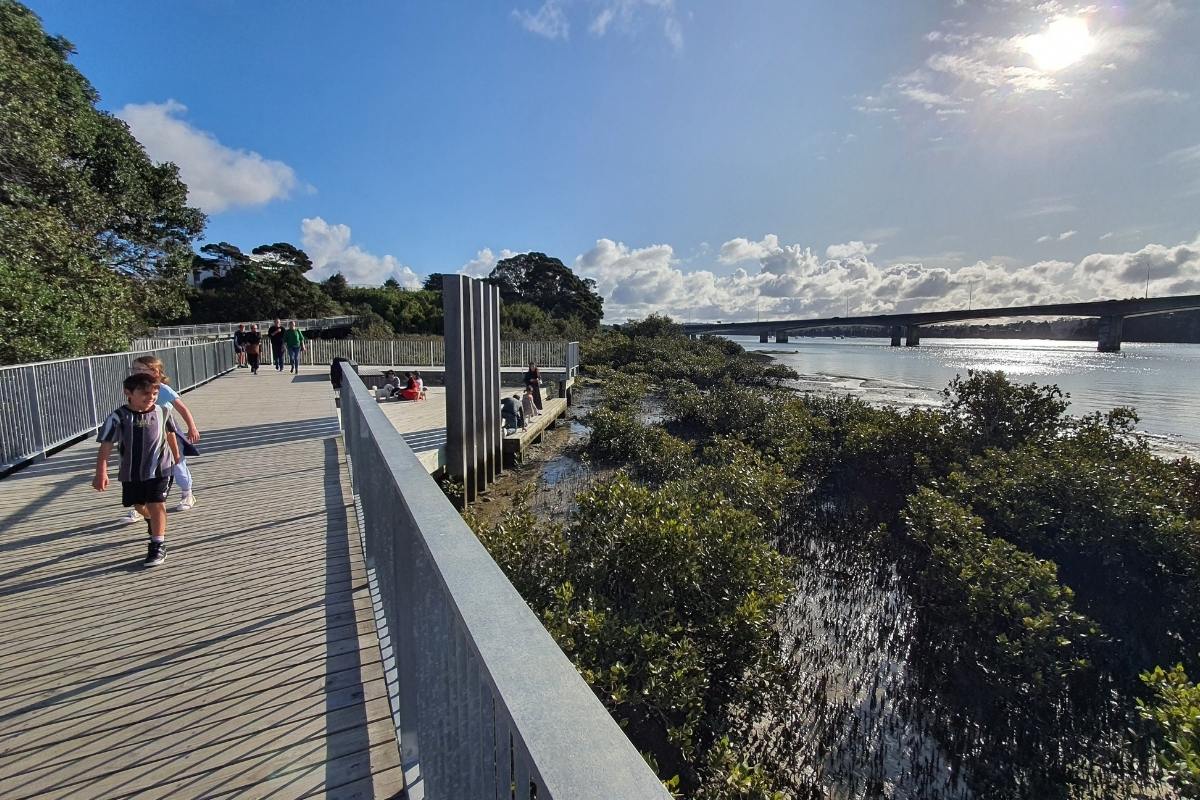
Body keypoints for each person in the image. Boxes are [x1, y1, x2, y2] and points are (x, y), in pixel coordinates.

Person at [93, 373, 181, 567]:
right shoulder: (118, 417)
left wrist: (177, 456)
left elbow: (170, 433)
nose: (151, 398)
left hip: (161, 468)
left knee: (156, 503)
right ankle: (149, 519)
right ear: (128, 393)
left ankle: (158, 544)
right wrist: (101, 471)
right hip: (131, 471)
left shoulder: (163, 411)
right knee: (140, 506)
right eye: (145, 393)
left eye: (155, 394)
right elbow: (106, 444)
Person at [120, 355, 202, 518]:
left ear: (155, 372)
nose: (135, 372)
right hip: (146, 431)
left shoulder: (162, 389)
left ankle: (187, 493)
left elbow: (182, 408)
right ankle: (141, 506)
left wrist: (192, 427)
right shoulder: (134, 388)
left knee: (176, 462)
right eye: (134, 369)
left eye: (140, 369)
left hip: (167, 429)